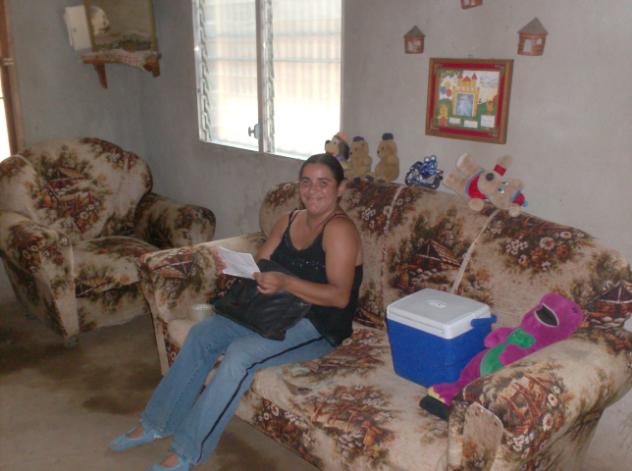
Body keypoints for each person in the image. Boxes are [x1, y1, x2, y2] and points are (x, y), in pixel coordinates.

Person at [109, 154, 363, 471]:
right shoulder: (288, 220)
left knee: (240, 355)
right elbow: (260, 264)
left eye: (323, 183)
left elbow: (340, 297)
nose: (313, 190)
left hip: (317, 325)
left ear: (340, 188)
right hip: (273, 310)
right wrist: (243, 269)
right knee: (202, 334)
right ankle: (156, 423)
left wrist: (285, 282)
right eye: (306, 182)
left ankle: (187, 450)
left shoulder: (339, 230)